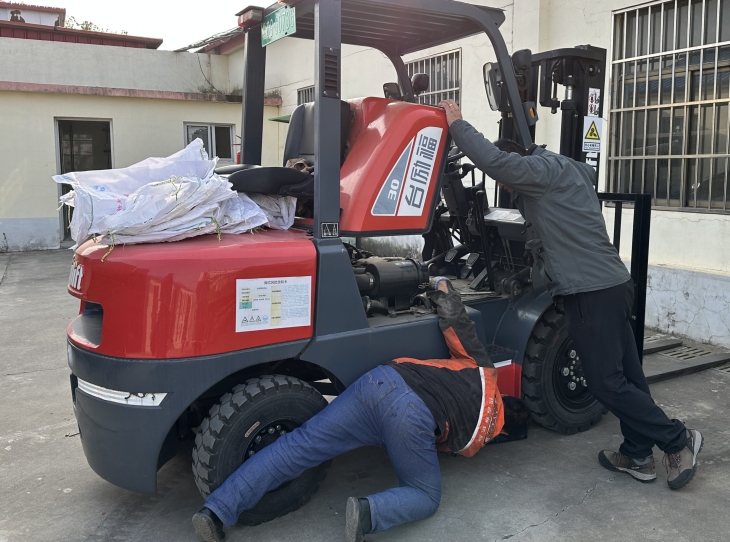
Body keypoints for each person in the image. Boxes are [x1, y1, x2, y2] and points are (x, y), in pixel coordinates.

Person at [437, 99, 703, 490]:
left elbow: (496, 163)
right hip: (613, 284)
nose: (509, 188)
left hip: (590, 291)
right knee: (628, 377)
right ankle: (637, 452)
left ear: (520, 163)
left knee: (604, 382)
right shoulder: (568, 170)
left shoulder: (539, 171)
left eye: (510, 183)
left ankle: (678, 439)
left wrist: (458, 126)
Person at [192, 277, 530, 542]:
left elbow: (456, 322)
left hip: (380, 381)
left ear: (506, 398)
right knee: (425, 495)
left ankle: (216, 512)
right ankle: (368, 513)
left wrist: (441, 286)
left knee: (298, 446)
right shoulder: (473, 444)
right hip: (410, 418)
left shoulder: (485, 372)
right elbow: (433, 444)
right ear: (503, 432)